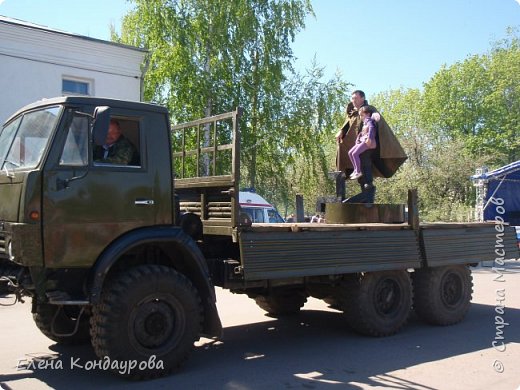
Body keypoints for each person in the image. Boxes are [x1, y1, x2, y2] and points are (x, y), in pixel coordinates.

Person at [348, 105, 377, 180]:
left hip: (367, 142)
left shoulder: (369, 120)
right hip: (362, 140)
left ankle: (358, 171)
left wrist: (369, 138)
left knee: (355, 153)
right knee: (350, 152)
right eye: (360, 115)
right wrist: (358, 139)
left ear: (367, 114)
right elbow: (362, 133)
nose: (361, 117)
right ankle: (355, 170)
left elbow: (371, 128)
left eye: (362, 115)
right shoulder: (365, 122)